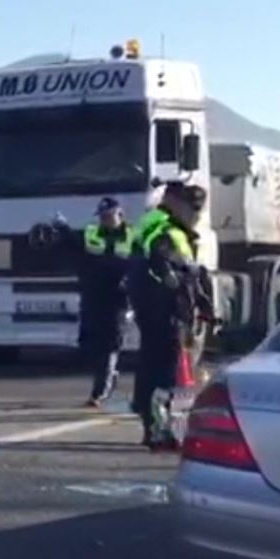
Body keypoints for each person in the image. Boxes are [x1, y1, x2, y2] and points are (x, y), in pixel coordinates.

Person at [128, 183, 208, 450]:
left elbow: (189, 274)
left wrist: (203, 304)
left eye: (199, 209)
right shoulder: (165, 229)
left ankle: (153, 427)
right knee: (164, 371)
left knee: (153, 365)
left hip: (157, 308)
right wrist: (170, 279)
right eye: (192, 207)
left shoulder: (158, 224)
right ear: (175, 203)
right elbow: (163, 262)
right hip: (165, 310)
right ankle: (159, 430)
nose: (196, 214)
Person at [78, 197, 136, 406]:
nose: (105, 220)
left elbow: (139, 263)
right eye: (102, 217)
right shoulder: (92, 233)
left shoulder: (133, 236)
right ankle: (107, 381)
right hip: (95, 296)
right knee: (92, 344)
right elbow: (78, 252)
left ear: (120, 214)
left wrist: (130, 283)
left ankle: (100, 391)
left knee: (110, 343)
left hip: (119, 298)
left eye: (108, 216)